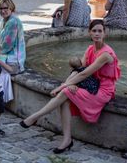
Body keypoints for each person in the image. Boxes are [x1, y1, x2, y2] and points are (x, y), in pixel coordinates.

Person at [21, 20, 121, 154]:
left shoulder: (105, 54)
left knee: (65, 92)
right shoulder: (90, 49)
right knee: (66, 98)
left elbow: (85, 73)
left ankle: (35, 117)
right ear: (89, 33)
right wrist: (68, 83)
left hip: (102, 91)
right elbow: (78, 70)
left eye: (100, 31)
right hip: (91, 85)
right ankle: (67, 139)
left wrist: (64, 86)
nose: (97, 34)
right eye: (94, 31)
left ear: (104, 33)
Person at [0, 0, 26, 73]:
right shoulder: (4, 20)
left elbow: (7, 46)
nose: (3, 11)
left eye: (5, 8)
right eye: (0, 9)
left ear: (11, 8)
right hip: (6, 56)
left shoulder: (13, 22)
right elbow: (0, 40)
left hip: (14, 61)